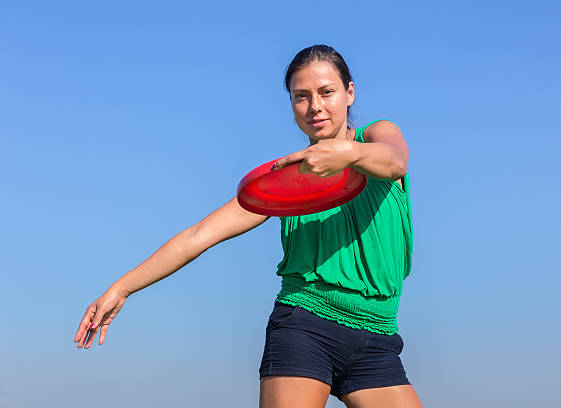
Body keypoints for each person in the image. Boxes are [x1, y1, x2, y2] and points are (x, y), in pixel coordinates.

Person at [74, 44, 422, 408]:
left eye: (326, 92)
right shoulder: (285, 182)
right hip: (305, 327)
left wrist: (348, 154)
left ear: (349, 92)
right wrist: (122, 288)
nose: (315, 106)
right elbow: (199, 236)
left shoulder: (377, 136)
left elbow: (395, 161)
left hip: (377, 337)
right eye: (301, 97)